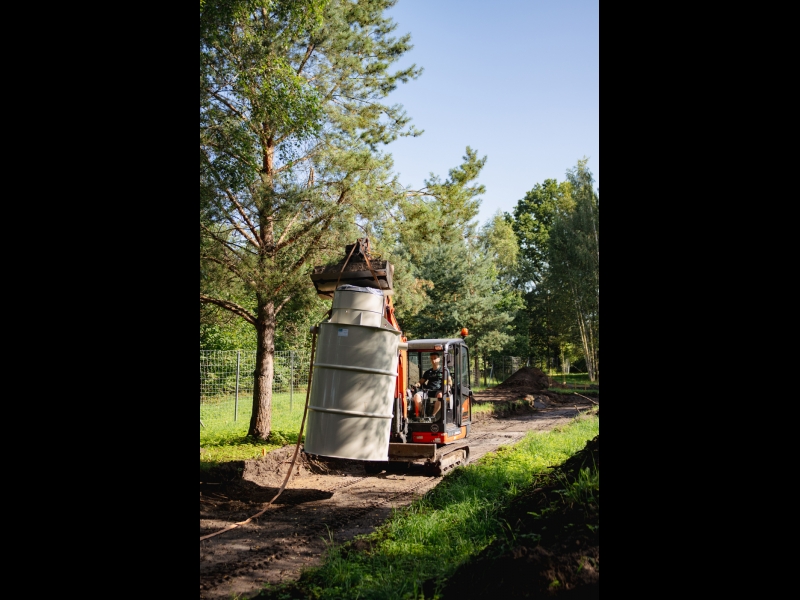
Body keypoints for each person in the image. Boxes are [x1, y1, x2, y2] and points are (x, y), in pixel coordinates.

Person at [413, 352, 444, 419]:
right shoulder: (428, 372)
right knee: (416, 396)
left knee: (440, 396)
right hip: (428, 391)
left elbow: (449, 381)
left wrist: (448, 386)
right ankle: (424, 415)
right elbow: (420, 382)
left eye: (435, 358)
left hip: (438, 391)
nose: (433, 360)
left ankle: (433, 416)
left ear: (439, 359)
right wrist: (416, 385)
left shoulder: (444, 371)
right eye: (431, 359)